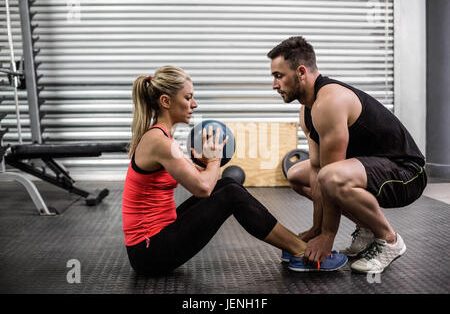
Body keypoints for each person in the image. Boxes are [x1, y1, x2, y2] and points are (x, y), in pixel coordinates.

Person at [122, 65, 347, 275]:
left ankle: (292, 247)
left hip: (158, 238)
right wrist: (213, 161)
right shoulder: (159, 141)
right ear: (166, 101)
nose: (195, 104)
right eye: (188, 98)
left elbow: (197, 179)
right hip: (149, 253)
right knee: (230, 194)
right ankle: (301, 252)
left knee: (228, 185)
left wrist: (204, 164)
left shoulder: (161, 136)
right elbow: (201, 188)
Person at [267, 36, 427, 274]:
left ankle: (389, 240)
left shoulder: (329, 102)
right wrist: (317, 229)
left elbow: (330, 175)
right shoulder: (307, 109)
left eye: (278, 75)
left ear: (301, 72)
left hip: (407, 174)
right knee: (297, 174)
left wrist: (327, 237)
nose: (274, 84)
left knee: (332, 177)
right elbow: (316, 168)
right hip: (372, 170)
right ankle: (366, 228)